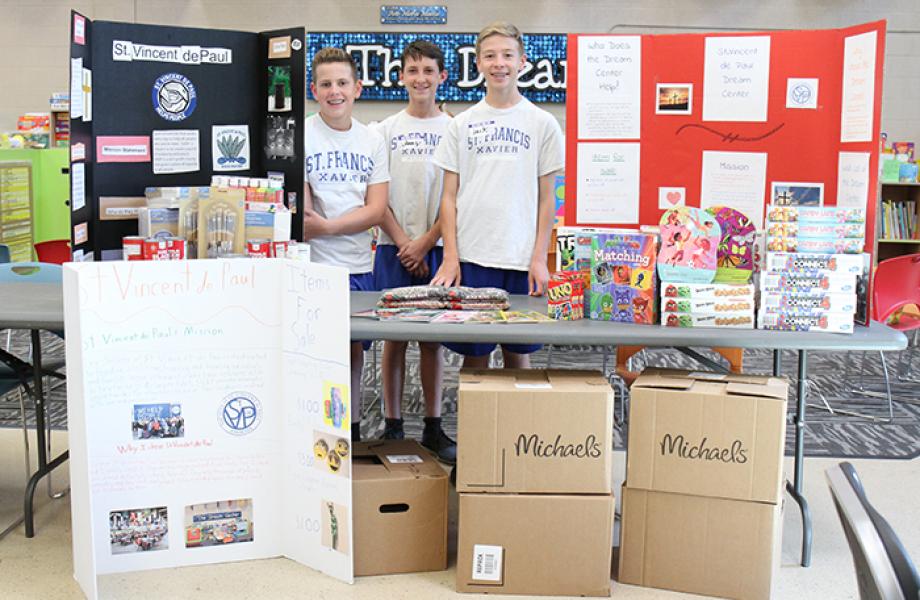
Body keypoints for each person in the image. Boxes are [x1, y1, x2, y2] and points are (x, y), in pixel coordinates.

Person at [431, 21, 564, 368]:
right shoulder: (461, 124)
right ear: (478, 63)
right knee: (474, 357)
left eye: (507, 55)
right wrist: (450, 256)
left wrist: (539, 258)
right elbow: (448, 198)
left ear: (522, 61)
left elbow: (547, 199)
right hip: (473, 257)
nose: (499, 63)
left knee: (518, 357)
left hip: (521, 258)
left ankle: (515, 412)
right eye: (490, 56)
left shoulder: (543, 123)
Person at [371, 40, 455, 462]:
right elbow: (376, 195)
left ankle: (433, 426)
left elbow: (456, 198)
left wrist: (426, 241)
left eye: (428, 71)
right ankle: (393, 424)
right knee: (394, 338)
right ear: (401, 76)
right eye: (412, 70)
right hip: (393, 247)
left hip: (438, 250)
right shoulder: (385, 130)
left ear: (442, 77)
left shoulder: (455, 129)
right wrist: (405, 242)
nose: (420, 78)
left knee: (433, 341)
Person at [302, 47, 389, 442]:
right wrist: (323, 227)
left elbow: (376, 210)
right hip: (312, 267)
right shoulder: (301, 135)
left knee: (354, 353)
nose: (334, 91)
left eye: (341, 83)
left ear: (357, 88)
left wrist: (328, 226)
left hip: (357, 267)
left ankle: (350, 432)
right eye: (325, 84)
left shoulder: (372, 140)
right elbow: (304, 219)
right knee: (316, 354)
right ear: (314, 90)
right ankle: (319, 432)